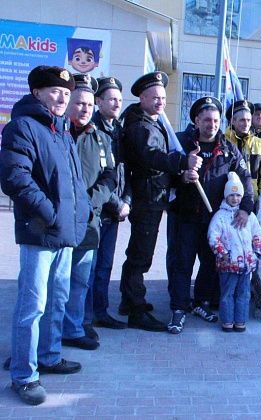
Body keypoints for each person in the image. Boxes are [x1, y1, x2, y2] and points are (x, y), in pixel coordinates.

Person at [0, 65, 90, 405]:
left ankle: (49, 356)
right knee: (32, 306)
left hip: (64, 234)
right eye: (55, 91)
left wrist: (80, 217)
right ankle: (23, 375)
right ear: (36, 92)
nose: (62, 98)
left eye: (67, 94)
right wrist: (50, 214)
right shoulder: (22, 127)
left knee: (57, 301)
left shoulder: (62, 131)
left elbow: (74, 182)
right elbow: (15, 178)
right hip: (39, 233)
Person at [119, 71, 201, 332]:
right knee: (140, 255)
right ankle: (136, 309)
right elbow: (152, 156)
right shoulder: (141, 126)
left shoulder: (151, 122)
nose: (160, 102)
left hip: (152, 195)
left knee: (139, 252)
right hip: (147, 197)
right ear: (142, 98)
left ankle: (128, 299)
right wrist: (181, 162)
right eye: (154, 97)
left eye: (163, 97)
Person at [167, 96, 254, 334]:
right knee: (182, 263)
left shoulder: (228, 149)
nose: (212, 125)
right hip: (185, 216)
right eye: (206, 120)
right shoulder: (181, 143)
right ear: (196, 120)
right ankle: (179, 308)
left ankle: (201, 302)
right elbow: (165, 174)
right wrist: (183, 176)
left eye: (215, 120)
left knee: (210, 263)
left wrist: (246, 207)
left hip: (215, 220)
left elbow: (245, 179)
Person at [62, 74, 117, 350]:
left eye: (88, 105)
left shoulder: (101, 139)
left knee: (80, 281)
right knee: (54, 283)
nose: (84, 109)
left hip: (89, 220)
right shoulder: (57, 133)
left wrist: (91, 200)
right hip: (58, 222)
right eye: (79, 103)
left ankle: (75, 327)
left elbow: (110, 176)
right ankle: (55, 331)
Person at [87, 76, 129, 331]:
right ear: (98, 101)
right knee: (88, 269)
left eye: (120, 100)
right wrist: (117, 203)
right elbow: (96, 176)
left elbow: (126, 171)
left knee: (104, 266)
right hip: (97, 210)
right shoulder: (92, 130)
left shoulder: (119, 131)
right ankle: (84, 317)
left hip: (114, 211)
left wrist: (128, 200)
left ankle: (100, 312)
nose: (116, 103)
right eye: (111, 99)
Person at [208, 172, 261, 332]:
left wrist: (256, 252)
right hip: (228, 264)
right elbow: (213, 236)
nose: (235, 198)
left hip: (246, 265)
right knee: (227, 294)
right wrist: (222, 253)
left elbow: (257, 233)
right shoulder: (220, 217)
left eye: (238, 195)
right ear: (226, 196)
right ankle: (227, 321)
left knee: (244, 294)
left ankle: (240, 321)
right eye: (231, 195)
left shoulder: (249, 216)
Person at [225, 100, 261, 203]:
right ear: (233, 121)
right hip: (225, 201)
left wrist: (260, 199)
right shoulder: (223, 142)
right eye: (242, 120)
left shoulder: (260, 144)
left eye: (249, 120)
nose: (246, 124)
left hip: (251, 202)